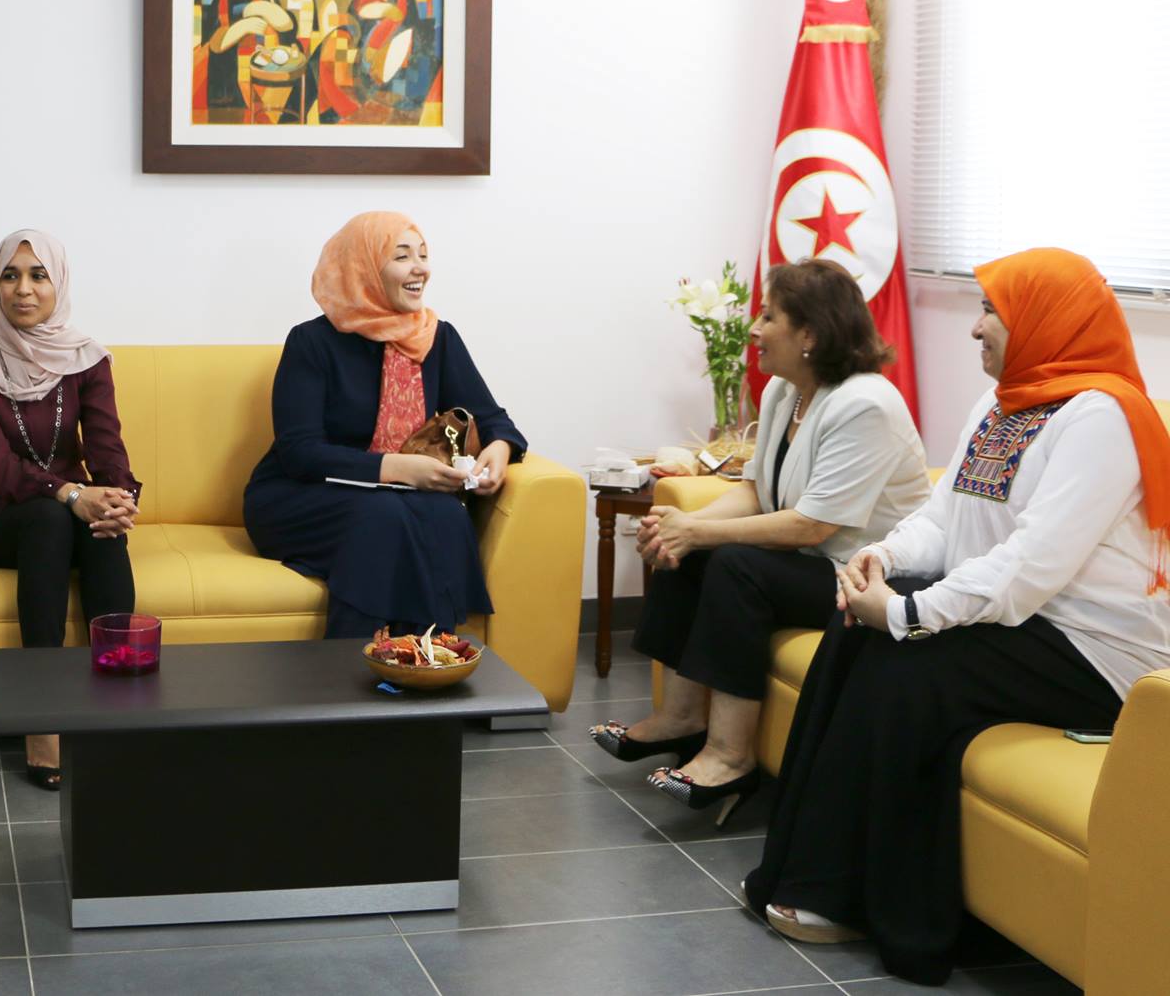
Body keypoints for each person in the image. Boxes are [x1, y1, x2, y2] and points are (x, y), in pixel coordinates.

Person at [744, 248, 1170, 985]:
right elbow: (942, 520)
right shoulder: (1003, 401)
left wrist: (907, 611)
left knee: (908, 666)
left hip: (1097, 657)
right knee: (855, 634)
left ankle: (866, 904)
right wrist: (879, 559)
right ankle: (805, 871)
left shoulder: (1102, 417)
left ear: (1044, 318)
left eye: (991, 310)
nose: (975, 327)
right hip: (1022, 626)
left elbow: (1028, 568)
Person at [587, 260, 929, 825]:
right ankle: (679, 719)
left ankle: (731, 758)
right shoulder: (783, 391)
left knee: (735, 566)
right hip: (812, 560)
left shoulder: (865, 404)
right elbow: (755, 492)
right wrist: (682, 527)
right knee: (691, 551)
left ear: (809, 334)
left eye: (769, 317)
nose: (755, 328)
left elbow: (812, 526)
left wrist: (698, 531)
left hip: (866, 575)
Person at [244, 212, 525, 638]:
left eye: (423, 255)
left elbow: (493, 419)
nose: (420, 268)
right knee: (384, 514)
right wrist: (395, 468)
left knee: (444, 515)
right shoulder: (312, 342)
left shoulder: (437, 338)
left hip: (393, 503)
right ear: (365, 268)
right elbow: (299, 452)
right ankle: (356, 669)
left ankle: (429, 662)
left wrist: (498, 451)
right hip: (299, 497)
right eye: (402, 256)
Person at [0, 229, 140, 790]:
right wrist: (71, 493)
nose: (23, 289)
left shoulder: (85, 359)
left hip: (67, 515)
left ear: (59, 283)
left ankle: (118, 714)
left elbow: (107, 446)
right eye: (10, 275)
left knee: (102, 530)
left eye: (38, 275)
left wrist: (117, 499)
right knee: (53, 517)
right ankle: (43, 721)